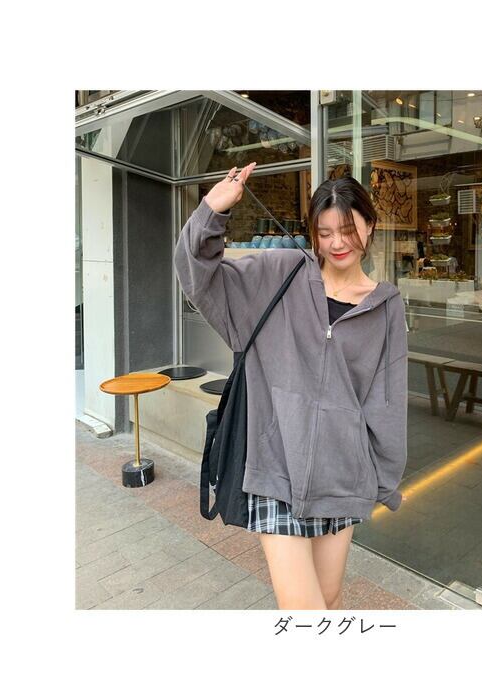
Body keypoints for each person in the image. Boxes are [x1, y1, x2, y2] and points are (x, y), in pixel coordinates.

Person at [174, 163, 408, 610]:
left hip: (342, 472)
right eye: (325, 232)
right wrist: (211, 212)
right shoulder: (279, 273)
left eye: (348, 230)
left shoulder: (386, 306)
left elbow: (386, 399)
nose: (336, 243)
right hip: (274, 466)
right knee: (304, 610)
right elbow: (197, 277)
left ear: (370, 225)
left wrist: (381, 480)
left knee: (329, 597)